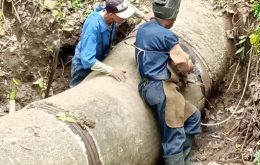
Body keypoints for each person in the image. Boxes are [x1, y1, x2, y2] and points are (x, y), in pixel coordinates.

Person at [135, 0, 202, 164]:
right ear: (173, 16)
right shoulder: (167, 36)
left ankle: (184, 161)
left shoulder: (144, 28)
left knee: (193, 117)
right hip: (162, 89)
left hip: (146, 86)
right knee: (174, 133)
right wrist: (190, 67)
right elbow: (182, 63)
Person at [70, 0, 135, 87]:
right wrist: (111, 70)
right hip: (84, 67)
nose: (124, 19)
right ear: (111, 14)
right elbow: (87, 59)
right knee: (78, 90)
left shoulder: (109, 14)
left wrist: (143, 15)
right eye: (122, 16)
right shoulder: (93, 26)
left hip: (101, 58)